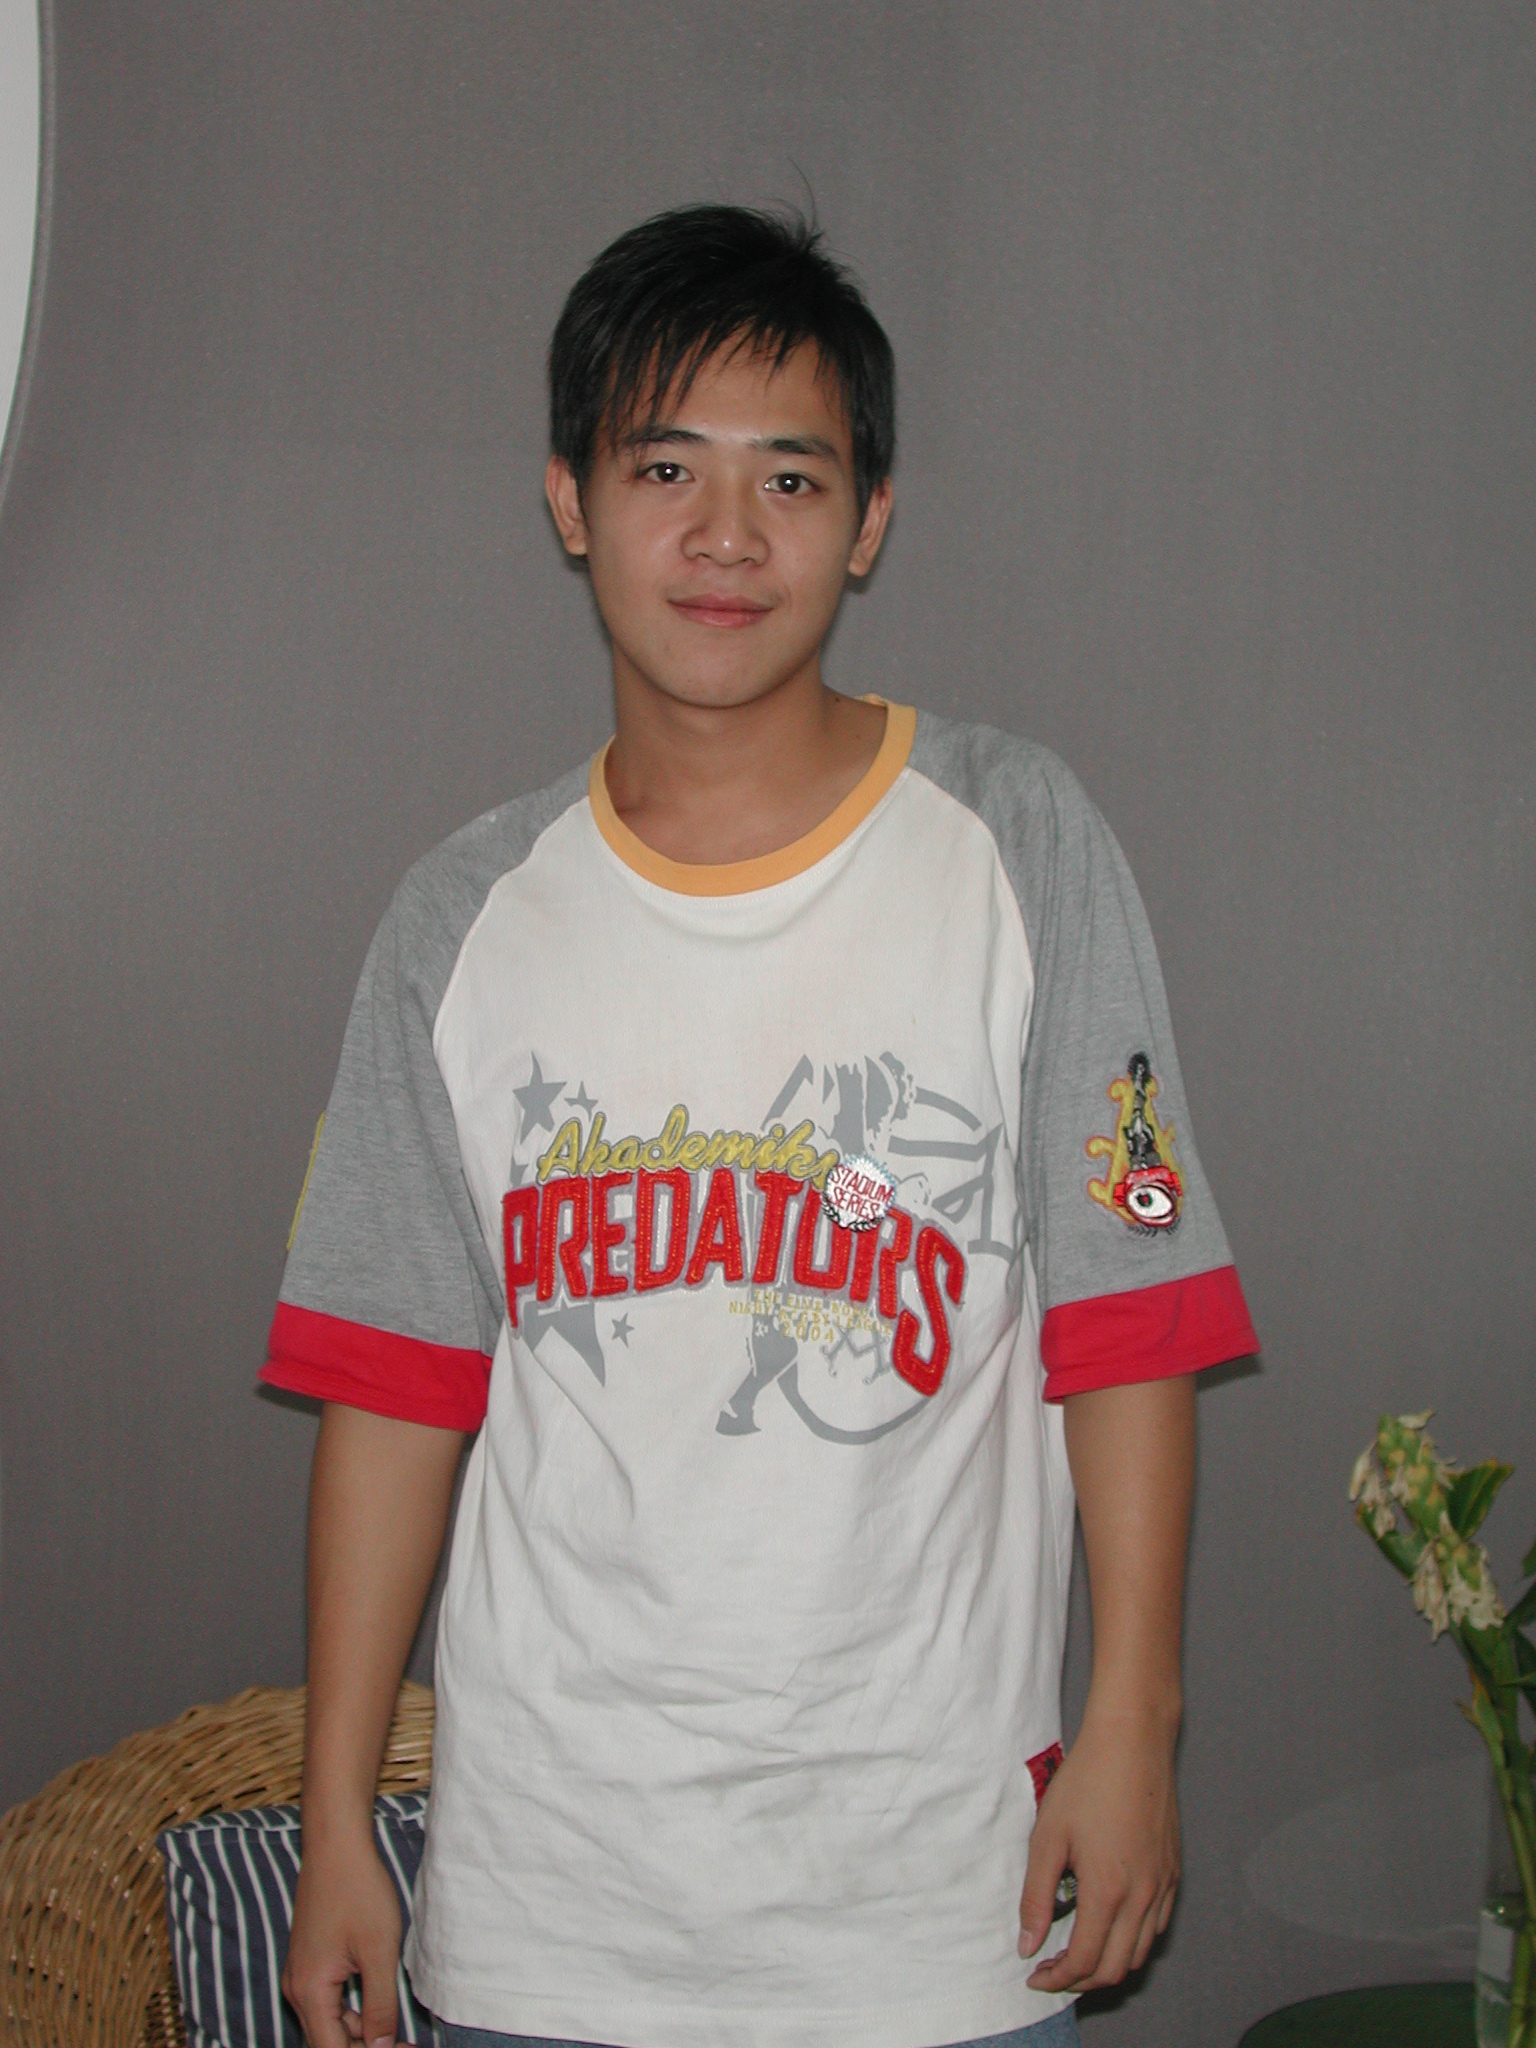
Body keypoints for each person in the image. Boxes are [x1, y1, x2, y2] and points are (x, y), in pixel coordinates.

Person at [265, 204, 1258, 2048]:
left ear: (868, 519)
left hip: (933, 1925)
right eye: (665, 468)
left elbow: (1128, 1320)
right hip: (549, 1924)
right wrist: (337, 1818)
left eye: (790, 477)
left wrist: (1136, 1721)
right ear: (570, 500)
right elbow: (395, 1387)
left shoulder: (1017, 844)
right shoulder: (463, 917)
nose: (726, 534)